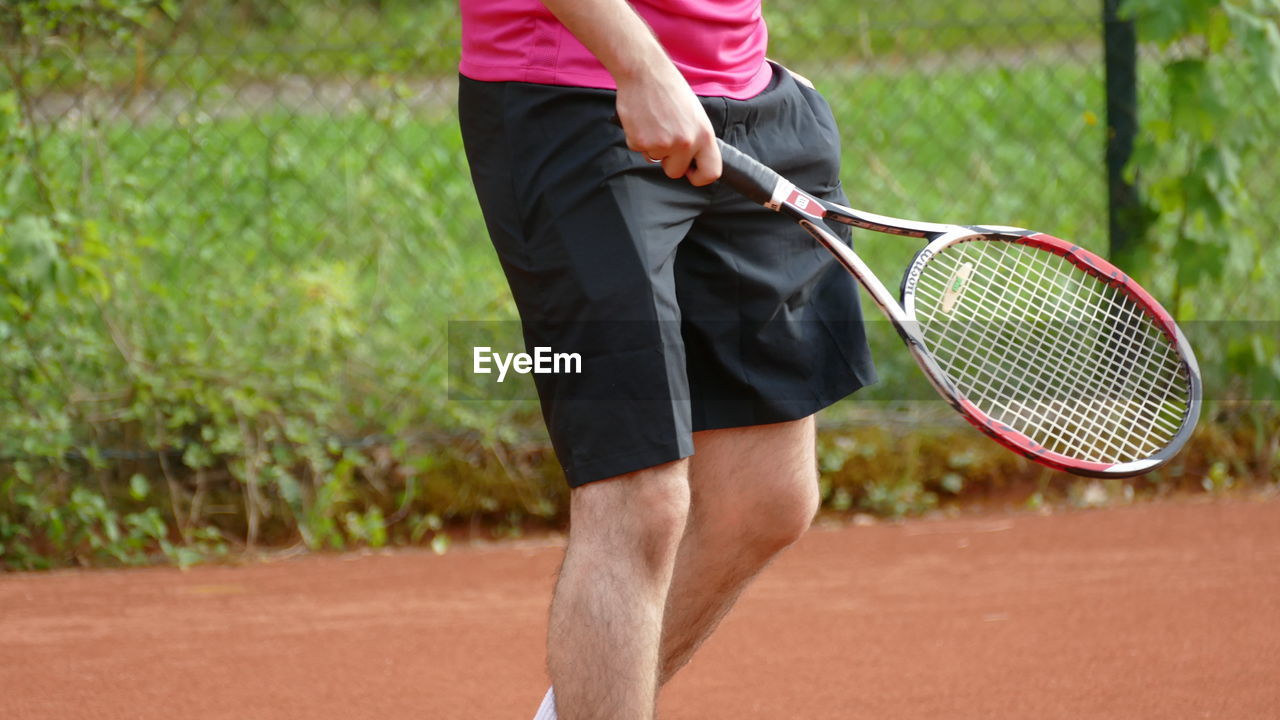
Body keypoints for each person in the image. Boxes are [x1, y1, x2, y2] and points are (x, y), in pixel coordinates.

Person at [457, 1, 876, 718]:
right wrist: (642, 68)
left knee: (766, 498)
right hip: (579, 96)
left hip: (747, 97)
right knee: (639, 495)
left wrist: (739, 63)